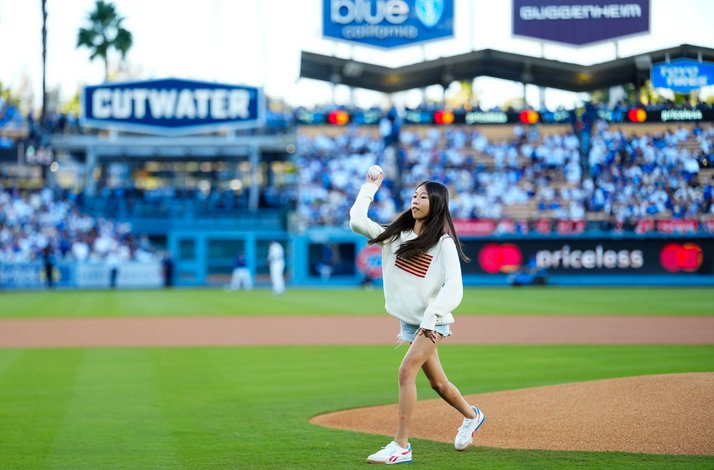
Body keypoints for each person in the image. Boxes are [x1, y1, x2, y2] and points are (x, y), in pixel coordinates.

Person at [349, 169, 485, 465]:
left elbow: (455, 288)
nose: (415, 200)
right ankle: (472, 416)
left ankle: (401, 445)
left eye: (423, 196)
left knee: (405, 372)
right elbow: (357, 222)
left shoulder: (443, 243)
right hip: (411, 321)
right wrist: (369, 188)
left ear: (436, 203)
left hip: (432, 321)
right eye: (414, 195)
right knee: (438, 384)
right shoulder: (397, 235)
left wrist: (433, 316)